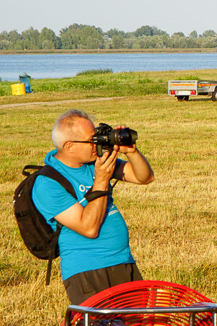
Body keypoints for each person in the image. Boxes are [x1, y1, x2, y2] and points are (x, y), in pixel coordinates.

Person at [32, 110, 155, 304]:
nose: (97, 143)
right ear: (70, 146)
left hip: (123, 262)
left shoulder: (92, 163)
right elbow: (88, 228)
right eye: (92, 140)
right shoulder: (47, 184)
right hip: (87, 271)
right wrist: (101, 181)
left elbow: (145, 177)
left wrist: (132, 152)